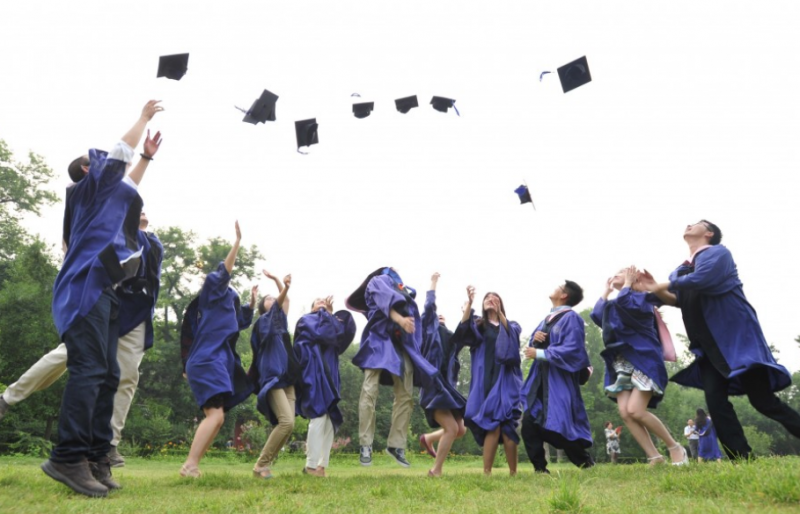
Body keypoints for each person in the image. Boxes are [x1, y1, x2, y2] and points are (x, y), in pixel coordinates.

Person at [41, 101, 162, 498]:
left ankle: (95, 457)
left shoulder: (103, 197)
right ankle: (67, 457)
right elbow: (118, 157)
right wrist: (143, 118)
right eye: (100, 162)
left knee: (109, 375)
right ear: (89, 171)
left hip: (106, 292)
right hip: (84, 291)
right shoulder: (85, 191)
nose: (112, 164)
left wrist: (146, 156)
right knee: (90, 371)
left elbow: (129, 183)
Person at [0, 211, 162, 470]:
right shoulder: (113, 233)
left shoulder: (154, 242)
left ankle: (109, 445)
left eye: (144, 209)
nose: (142, 211)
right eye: (136, 209)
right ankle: (7, 399)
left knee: (127, 378)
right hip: (107, 307)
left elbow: (150, 279)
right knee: (65, 355)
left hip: (138, 316)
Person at [642, 220, 800, 460]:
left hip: (736, 342)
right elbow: (676, 299)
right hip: (708, 347)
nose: (688, 224)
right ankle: (741, 457)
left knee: (764, 402)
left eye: (696, 223)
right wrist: (651, 288)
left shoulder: (718, 253)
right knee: (715, 402)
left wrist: (659, 285)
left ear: (709, 233)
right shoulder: (681, 269)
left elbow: (702, 279)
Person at [347, 267, 450, 468]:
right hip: (378, 341)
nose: (395, 269)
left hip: (402, 345)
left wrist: (432, 285)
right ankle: (366, 444)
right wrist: (400, 319)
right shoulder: (378, 280)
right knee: (369, 390)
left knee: (406, 393)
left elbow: (422, 316)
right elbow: (384, 299)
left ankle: (396, 445)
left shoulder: (405, 291)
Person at [590, 267, 687, 466]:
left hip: (643, 359)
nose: (614, 274)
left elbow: (628, 304)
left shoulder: (643, 299)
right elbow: (598, 315)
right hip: (622, 362)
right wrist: (607, 292)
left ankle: (675, 447)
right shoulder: (617, 302)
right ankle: (654, 456)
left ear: (632, 279)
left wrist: (626, 284)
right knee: (625, 412)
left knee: (635, 410)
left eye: (621, 272)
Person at [181, 222, 255, 478]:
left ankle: (192, 465)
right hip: (206, 361)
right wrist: (236, 243)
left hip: (213, 362)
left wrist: (252, 302)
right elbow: (224, 271)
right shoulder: (212, 289)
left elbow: (242, 321)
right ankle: (189, 465)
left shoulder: (225, 307)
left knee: (218, 417)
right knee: (214, 416)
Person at [520, 281, 594, 474]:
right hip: (539, 380)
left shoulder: (571, 318)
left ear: (564, 296)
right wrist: (535, 340)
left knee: (559, 427)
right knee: (529, 422)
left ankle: (585, 463)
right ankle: (540, 470)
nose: (555, 287)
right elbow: (533, 346)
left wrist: (542, 353)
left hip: (558, 381)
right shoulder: (548, 318)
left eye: (559, 287)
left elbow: (574, 350)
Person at [451, 286, 522, 476]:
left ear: (501, 304)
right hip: (485, 383)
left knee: (508, 427)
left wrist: (500, 315)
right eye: (487, 297)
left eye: (495, 297)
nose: (490, 298)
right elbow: (463, 331)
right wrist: (470, 304)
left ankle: (513, 473)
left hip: (505, 382)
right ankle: (487, 472)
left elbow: (513, 340)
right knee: (493, 425)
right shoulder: (479, 325)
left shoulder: (511, 325)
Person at [293, 296, 357, 477]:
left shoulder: (328, 319)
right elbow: (324, 335)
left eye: (324, 301)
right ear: (312, 307)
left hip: (331, 375)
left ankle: (321, 466)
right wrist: (326, 314)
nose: (322, 302)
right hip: (313, 373)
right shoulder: (307, 320)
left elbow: (343, 335)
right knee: (318, 415)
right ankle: (310, 466)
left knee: (330, 420)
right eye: (318, 301)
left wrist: (330, 314)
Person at [417, 273, 467, 477]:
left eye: (443, 316)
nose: (440, 316)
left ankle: (429, 438)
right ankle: (435, 470)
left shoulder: (452, 342)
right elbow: (429, 308)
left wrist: (467, 308)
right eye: (437, 317)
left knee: (461, 429)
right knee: (452, 429)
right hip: (434, 390)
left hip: (448, 391)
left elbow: (463, 332)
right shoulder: (428, 336)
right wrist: (433, 282)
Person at [248, 270, 296, 479]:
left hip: (288, 378)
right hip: (273, 375)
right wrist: (283, 287)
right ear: (263, 307)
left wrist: (279, 282)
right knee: (286, 422)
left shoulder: (280, 321)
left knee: (288, 426)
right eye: (267, 299)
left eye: (273, 297)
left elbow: (284, 303)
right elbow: (280, 303)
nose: (272, 299)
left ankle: (265, 466)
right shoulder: (262, 323)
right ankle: (260, 465)